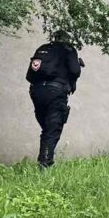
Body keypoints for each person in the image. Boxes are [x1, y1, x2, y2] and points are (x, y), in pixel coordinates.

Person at [26, 32, 83, 168]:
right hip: (55, 92)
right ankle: (45, 164)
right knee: (52, 128)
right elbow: (75, 71)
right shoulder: (68, 50)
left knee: (47, 128)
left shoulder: (42, 49)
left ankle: (43, 160)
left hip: (36, 91)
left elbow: (30, 75)